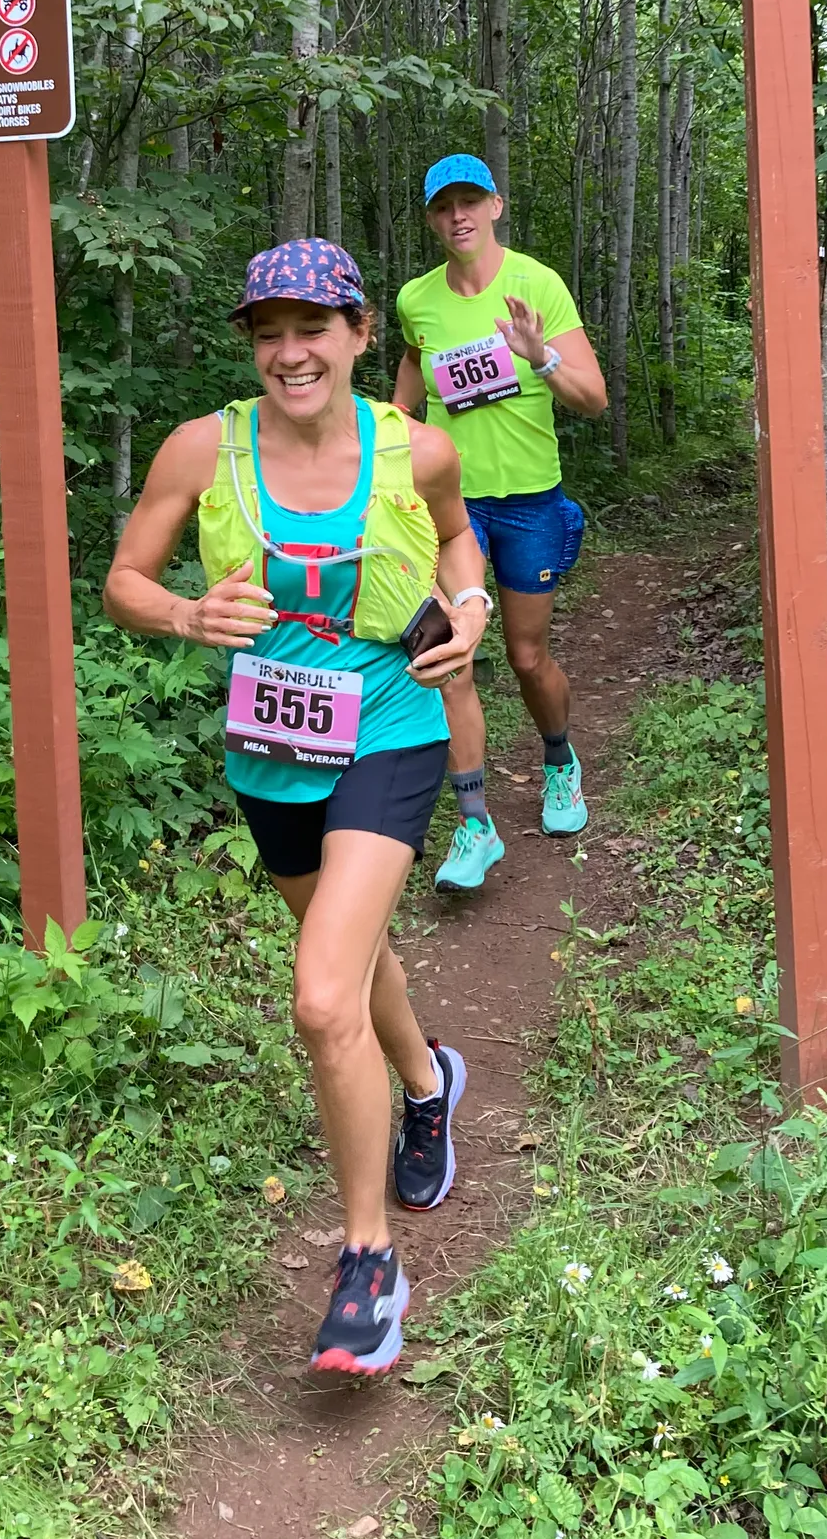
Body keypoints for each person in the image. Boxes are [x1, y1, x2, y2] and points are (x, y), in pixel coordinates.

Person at [104, 239, 491, 1376]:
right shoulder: (202, 448)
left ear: (362, 335)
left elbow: (461, 540)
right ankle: (430, 1081)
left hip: (389, 722)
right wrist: (182, 616)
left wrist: (466, 610)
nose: (290, 351)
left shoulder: (416, 448)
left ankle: (369, 1265)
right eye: (268, 331)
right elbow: (126, 579)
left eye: (313, 327)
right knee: (353, 956)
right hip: (271, 744)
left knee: (323, 998)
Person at [393, 155, 607, 889]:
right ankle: (475, 825)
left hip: (529, 501)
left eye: (470, 202)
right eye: (443, 206)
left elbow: (594, 398)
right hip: (449, 509)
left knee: (525, 656)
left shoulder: (537, 284)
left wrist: (538, 355)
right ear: (430, 218)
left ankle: (559, 761)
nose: (458, 216)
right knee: (449, 659)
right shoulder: (416, 301)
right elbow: (404, 407)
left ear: (495, 206)